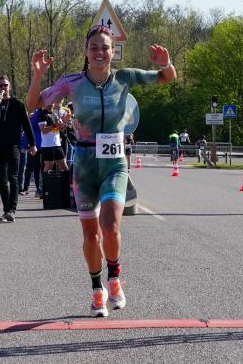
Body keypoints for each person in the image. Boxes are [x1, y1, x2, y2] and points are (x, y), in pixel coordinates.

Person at [27, 24, 177, 317]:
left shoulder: (125, 77)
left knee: (110, 225)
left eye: (105, 47)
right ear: (86, 52)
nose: (99, 52)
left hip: (114, 163)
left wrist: (166, 64)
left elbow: (167, 78)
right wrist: (37, 76)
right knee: (91, 233)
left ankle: (115, 279)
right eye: (94, 47)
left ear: (113, 52)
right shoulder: (71, 83)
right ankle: (97, 291)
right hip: (84, 164)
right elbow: (34, 104)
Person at [0, 75, 36, 223]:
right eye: (0, 86)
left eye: (5, 85)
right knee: (2, 180)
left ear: (9, 87)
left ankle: (12, 210)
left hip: (13, 146)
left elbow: (26, 124)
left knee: (13, 178)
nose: (3, 88)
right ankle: (6, 210)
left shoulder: (17, 103)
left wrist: (32, 143)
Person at [38, 103, 69, 173]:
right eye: (48, 102)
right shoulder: (43, 115)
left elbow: (59, 128)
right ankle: (44, 183)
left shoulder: (56, 114)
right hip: (47, 146)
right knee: (49, 167)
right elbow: (43, 130)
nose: (49, 104)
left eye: (51, 102)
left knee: (65, 167)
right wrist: (55, 126)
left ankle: (65, 183)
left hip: (57, 145)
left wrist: (64, 126)